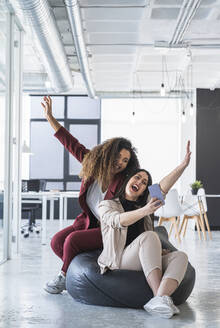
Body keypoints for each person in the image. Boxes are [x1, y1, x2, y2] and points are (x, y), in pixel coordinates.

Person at [41, 96, 140, 294]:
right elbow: (70, 142)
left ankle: (64, 276)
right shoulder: (92, 164)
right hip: (88, 223)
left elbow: (146, 178)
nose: (120, 163)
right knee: (57, 242)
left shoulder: (126, 178)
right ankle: (88, 267)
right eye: (118, 157)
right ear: (109, 153)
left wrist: (158, 197)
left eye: (125, 160)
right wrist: (50, 117)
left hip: (111, 229)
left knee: (73, 241)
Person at [98, 142, 191, 319]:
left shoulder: (146, 202)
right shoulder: (107, 204)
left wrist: (183, 166)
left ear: (143, 191)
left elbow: (163, 187)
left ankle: (160, 300)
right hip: (119, 260)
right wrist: (145, 211)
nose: (140, 182)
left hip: (142, 258)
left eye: (144, 182)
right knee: (150, 236)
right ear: (128, 180)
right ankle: (159, 297)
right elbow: (117, 221)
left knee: (181, 256)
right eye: (137, 178)